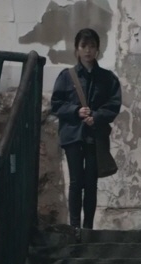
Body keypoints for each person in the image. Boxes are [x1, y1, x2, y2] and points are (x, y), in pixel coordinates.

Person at [50, 28, 122, 230]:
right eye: (84, 46)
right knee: (76, 182)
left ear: (98, 49)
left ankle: (88, 227)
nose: (88, 50)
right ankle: (75, 227)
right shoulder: (66, 76)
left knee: (91, 183)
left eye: (92, 46)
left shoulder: (107, 78)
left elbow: (114, 104)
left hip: (94, 136)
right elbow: (56, 104)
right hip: (73, 135)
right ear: (77, 49)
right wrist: (75, 111)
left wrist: (96, 117)